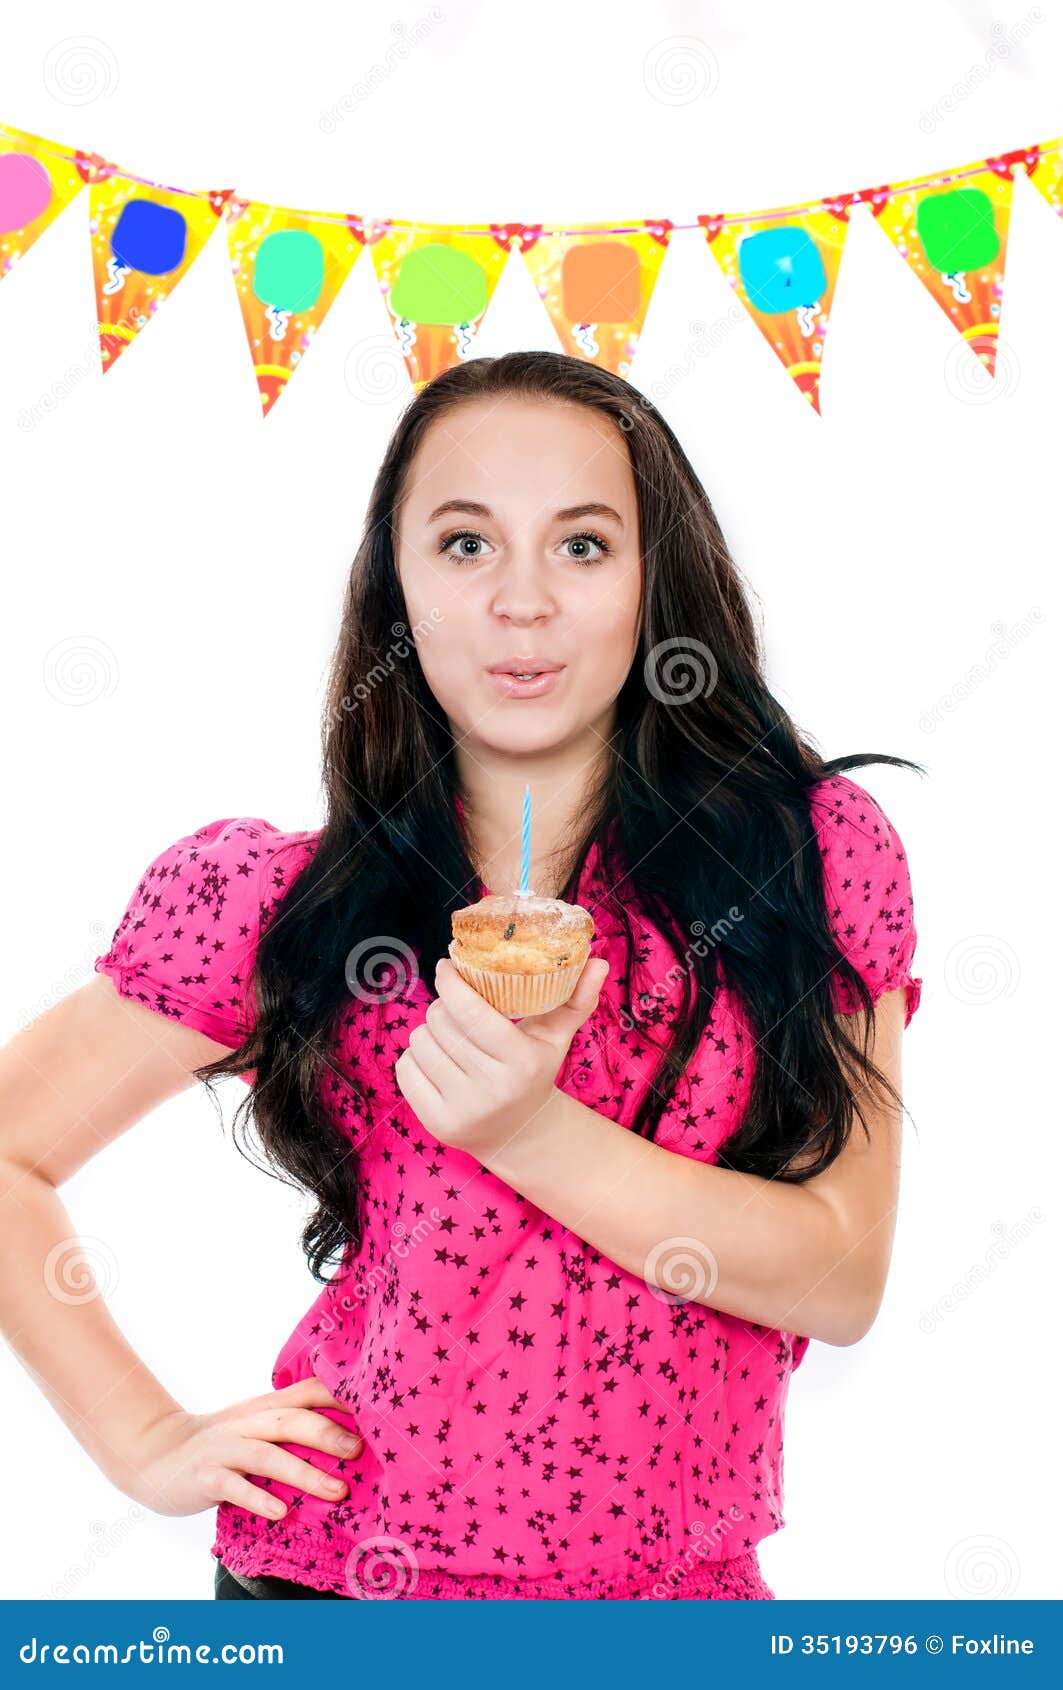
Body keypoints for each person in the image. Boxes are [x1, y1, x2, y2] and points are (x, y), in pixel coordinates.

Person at [0, 350, 923, 1601]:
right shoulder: (282, 902)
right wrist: (146, 1441)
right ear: (398, 589)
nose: (523, 602)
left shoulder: (808, 863)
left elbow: (840, 1273)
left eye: (583, 545)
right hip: (336, 1598)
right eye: (465, 544)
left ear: (660, 584)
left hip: (674, 1609)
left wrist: (528, 1131)